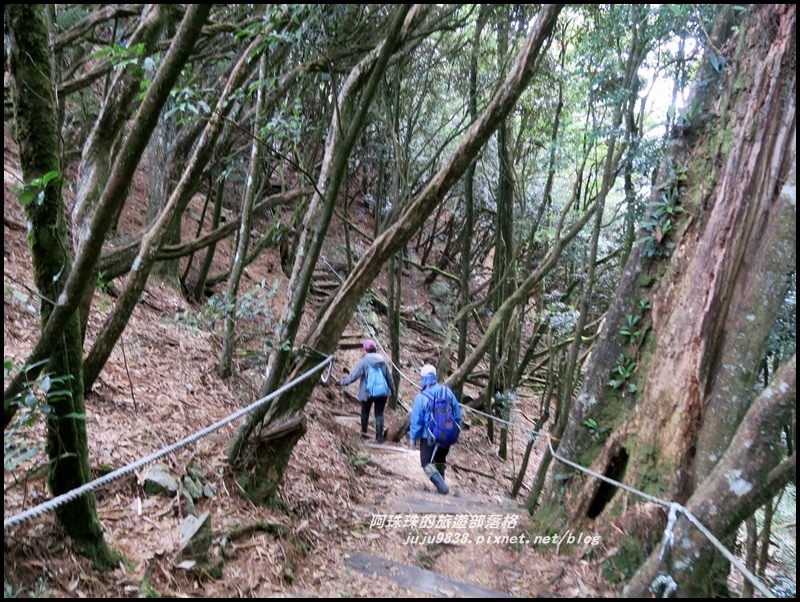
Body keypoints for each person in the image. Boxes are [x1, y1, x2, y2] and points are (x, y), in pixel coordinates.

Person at [409, 364, 462, 495]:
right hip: (447, 433)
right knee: (440, 459)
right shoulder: (447, 392)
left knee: (426, 462)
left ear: (423, 379)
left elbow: (417, 420)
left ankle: (441, 486)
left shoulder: (421, 398)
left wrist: (413, 437)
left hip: (429, 437)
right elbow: (457, 413)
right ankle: (442, 485)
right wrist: (455, 430)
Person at [337, 339, 396, 443]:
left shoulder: (364, 361)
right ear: (375, 349)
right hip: (382, 392)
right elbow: (389, 377)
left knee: (365, 411)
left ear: (365, 350)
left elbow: (354, 376)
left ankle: (364, 432)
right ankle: (379, 437)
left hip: (367, 392)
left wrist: (342, 383)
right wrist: (393, 390)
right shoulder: (382, 361)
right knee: (379, 414)